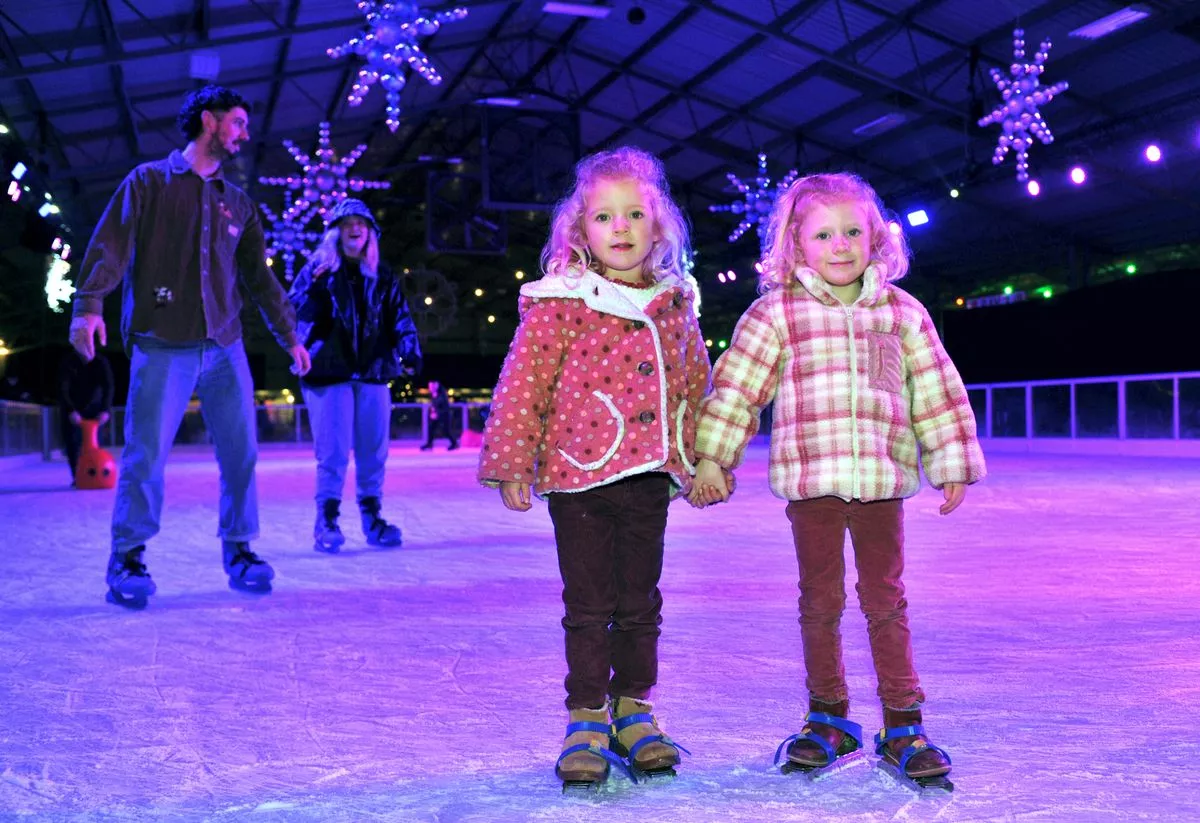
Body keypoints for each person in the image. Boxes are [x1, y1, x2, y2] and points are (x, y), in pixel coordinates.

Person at [690, 172, 986, 784]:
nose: (841, 245)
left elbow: (935, 390)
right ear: (797, 245)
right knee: (819, 602)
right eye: (824, 234)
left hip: (880, 483)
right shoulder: (777, 313)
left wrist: (951, 460)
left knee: (886, 600)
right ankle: (827, 715)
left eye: (854, 231)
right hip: (813, 483)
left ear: (876, 237)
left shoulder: (902, 313)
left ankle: (903, 721)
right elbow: (739, 387)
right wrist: (715, 456)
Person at [478, 147, 711, 788]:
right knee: (588, 604)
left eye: (635, 214)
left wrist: (702, 461)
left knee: (639, 602)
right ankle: (586, 716)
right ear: (580, 231)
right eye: (605, 217)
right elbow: (524, 383)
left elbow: (694, 387)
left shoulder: (673, 303)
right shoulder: (562, 300)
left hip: (646, 478)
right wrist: (511, 461)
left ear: (658, 228)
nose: (622, 228)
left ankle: (634, 709)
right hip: (577, 477)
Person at [68, 84, 311, 607]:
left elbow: (259, 278)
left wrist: (289, 334)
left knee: (241, 452)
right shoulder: (149, 183)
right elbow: (109, 245)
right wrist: (89, 306)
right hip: (162, 343)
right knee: (146, 454)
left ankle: (241, 550)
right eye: (238, 123)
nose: (245, 134)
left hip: (225, 347)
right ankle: (127, 557)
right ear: (210, 121)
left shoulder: (238, 204)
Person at [288, 197, 422, 552]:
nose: (355, 229)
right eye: (347, 224)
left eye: (360, 224)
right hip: (329, 371)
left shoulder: (382, 275)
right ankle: (327, 520)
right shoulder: (317, 269)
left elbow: (399, 316)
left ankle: (372, 517)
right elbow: (293, 313)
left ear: (370, 234)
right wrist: (315, 292)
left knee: (373, 451)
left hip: (374, 372)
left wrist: (409, 347)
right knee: (332, 452)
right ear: (335, 232)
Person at [58, 348, 115, 485]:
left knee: (95, 442)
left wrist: (105, 410)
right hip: (73, 407)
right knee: (73, 443)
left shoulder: (101, 362)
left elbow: (108, 386)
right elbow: (63, 388)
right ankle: (77, 476)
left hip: (95, 408)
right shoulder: (68, 362)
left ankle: (94, 474)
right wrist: (70, 410)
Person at [419, 380, 457, 451]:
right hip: (436, 415)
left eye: (431, 386)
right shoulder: (433, 394)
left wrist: (437, 413)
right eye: (429, 386)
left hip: (444, 415)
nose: (430, 388)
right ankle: (429, 444)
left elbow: (443, 406)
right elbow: (434, 405)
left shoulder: (441, 394)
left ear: (436, 385)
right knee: (431, 428)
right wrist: (432, 412)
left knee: (446, 430)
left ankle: (454, 443)